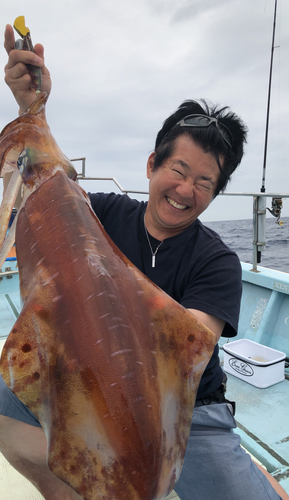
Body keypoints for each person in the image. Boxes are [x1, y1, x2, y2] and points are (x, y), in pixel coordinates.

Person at [1, 24, 288, 500]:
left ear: (214, 194)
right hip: (82, 377)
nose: (184, 190)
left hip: (189, 410)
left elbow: (176, 355)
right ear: (153, 164)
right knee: (9, 408)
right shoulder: (104, 213)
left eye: (203, 182)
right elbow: (54, 192)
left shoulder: (217, 261)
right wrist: (32, 109)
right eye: (178, 169)